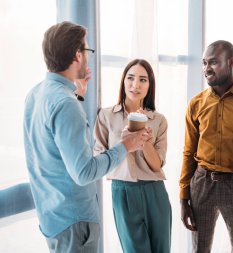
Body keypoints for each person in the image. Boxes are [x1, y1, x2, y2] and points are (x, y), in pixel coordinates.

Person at [23, 21, 149, 253]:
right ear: (77, 55)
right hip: (75, 223)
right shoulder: (65, 104)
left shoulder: (36, 93)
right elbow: (84, 172)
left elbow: (52, 151)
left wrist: (77, 96)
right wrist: (125, 146)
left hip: (54, 218)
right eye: (88, 51)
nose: (89, 57)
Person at [179, 40, 233, 252]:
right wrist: (183, 198)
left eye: (213, 62)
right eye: (204, 63)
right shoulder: (196, 104)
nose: (206, 68)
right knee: (199, 249)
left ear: (231, 62)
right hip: (201, 185)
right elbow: (189, 153)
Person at [93, 59, 172, 253]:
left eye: (143, 80)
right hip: (123, 192)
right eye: (130, 78)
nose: (135, 85)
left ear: (149, 86)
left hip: (155, 192)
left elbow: (157, 165)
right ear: (123, 81)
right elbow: (99, 160)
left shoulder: (158, 120)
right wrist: (125, 144)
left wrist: (144, 141)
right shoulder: (106, 116)